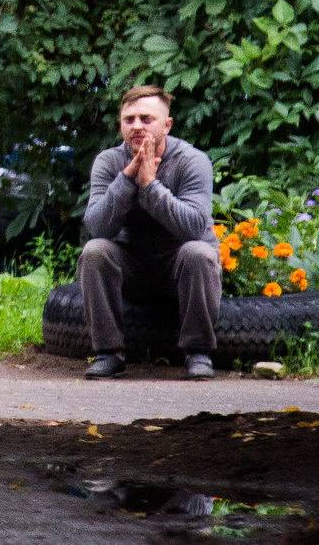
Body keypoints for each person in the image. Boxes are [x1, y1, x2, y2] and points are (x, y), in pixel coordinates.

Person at [79, 84, 221, 380]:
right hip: (132, 265)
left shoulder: (192, 161)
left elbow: (195, 227)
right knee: (95, 252)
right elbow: (97, 227)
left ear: (167, 125)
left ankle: (198, 352)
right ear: (120, 125)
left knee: (199, 252)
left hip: (179, 264)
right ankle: (108, 353)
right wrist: (127, 178)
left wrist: (150, 186)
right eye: (129, 119)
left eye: (146, 119)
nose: (137, 126)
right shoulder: (109, 161)